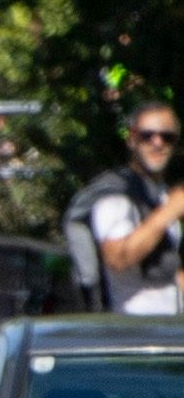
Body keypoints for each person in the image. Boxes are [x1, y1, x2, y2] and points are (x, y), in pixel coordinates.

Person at [64, 102, 184, 315]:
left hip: (168, 331)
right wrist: (170, 211)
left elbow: (162, 279)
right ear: (131, 139)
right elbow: (118, 259)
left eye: (167, 137)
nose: (157, 143)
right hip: (130, 332)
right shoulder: (115, 196)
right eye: (147, 135)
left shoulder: (161, 194)